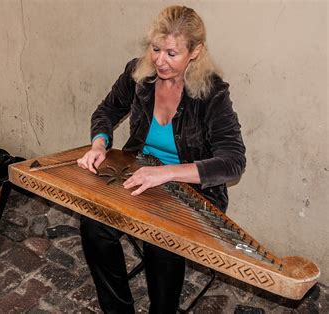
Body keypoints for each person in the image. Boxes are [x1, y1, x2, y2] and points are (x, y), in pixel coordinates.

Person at [76, 5, 246, 314]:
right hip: (138, 171)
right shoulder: (139, 75)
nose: (159, 61)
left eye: (171, 53)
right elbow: (106, 111)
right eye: (155, 49)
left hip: (192, 189)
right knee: (93, 225)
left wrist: (167, 173)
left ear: (195, 51)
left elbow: (233, 161)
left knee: (161, 240)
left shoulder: (212, 93)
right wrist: (100, 143)